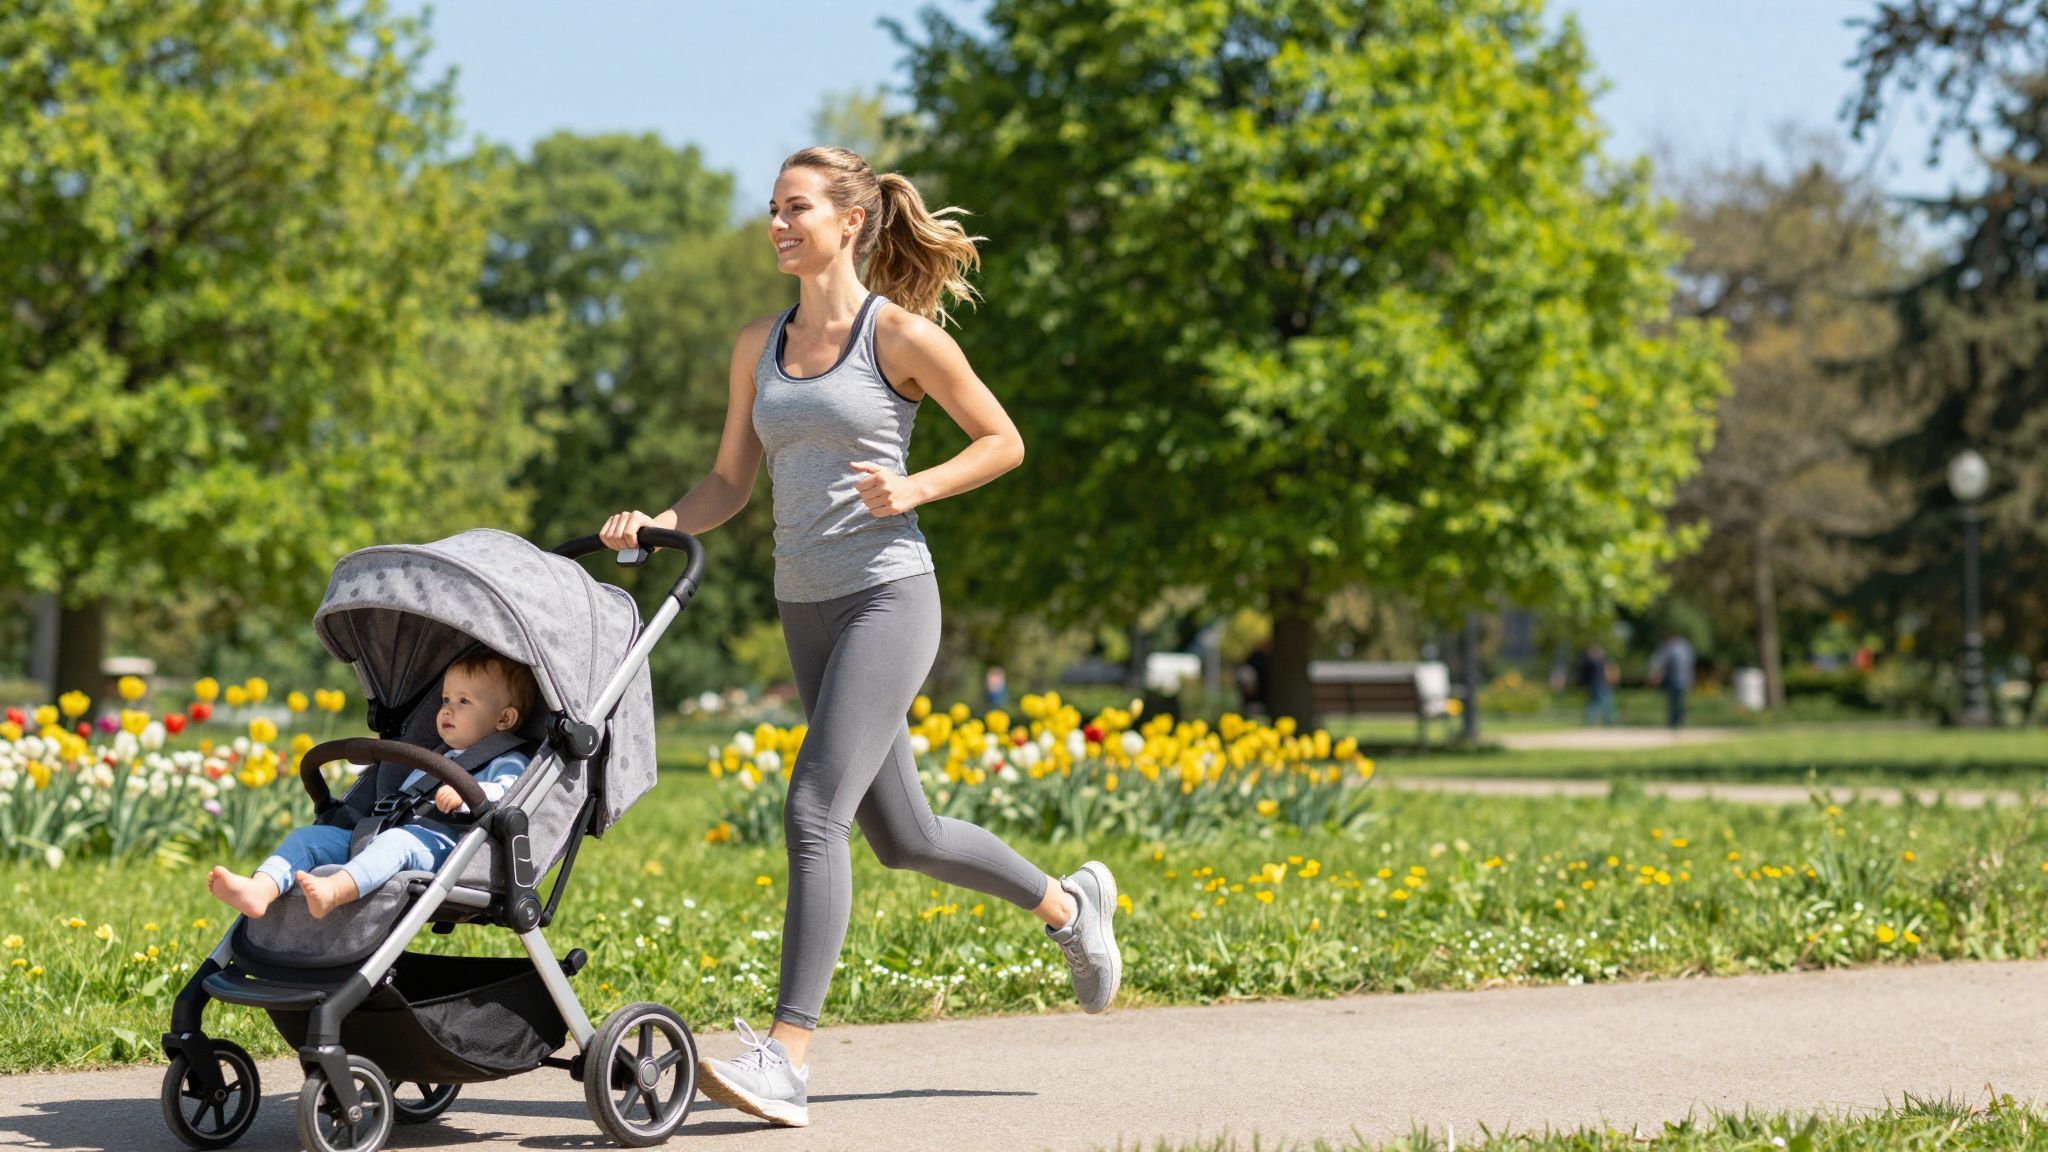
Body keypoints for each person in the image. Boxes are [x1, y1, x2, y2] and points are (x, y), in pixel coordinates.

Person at [597, 146, 1119, 1130]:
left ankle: (787, 1056)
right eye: (772, 208)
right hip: (806, 603)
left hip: (888, 594)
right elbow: (728, 483)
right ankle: (1068, 907)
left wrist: (913, 487)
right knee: (903, 837)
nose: (776, 224)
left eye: (795, 208)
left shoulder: (900, 338)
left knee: (811, 812)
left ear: (850, 219)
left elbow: (1000, 439)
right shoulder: (758, 341)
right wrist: (658, 522)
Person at [206, 652, 538, 920]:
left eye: (464, 701)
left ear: (504, 719)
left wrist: (470, 795)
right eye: (445, 698)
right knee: (307, 838)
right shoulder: (441, 754)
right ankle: (260, 890)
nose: (447, 709)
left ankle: (334, 891)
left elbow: (510, 794)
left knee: (395, 842)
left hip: (440, 848)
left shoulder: (505, 758)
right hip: (383, 833)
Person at [1647, 631, 1697, 730]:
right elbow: (1690, 665)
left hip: (1675, 678)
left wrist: (1653, 674)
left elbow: (1659, 661)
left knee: (1673, 701)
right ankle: (1680, 722)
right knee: (1680, 701)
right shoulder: (1686, 647)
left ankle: (1673, 723)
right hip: (1684, 679)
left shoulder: (1670, 647)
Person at [1578, 644, 1616, 726]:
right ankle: (1609, 721)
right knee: (1606, 703)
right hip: (1601, 685)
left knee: (1595, 703)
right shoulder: (1598, 662)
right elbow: (1610, 670)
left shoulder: (1589, 662)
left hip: (1596, 685)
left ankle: (1589, 721)